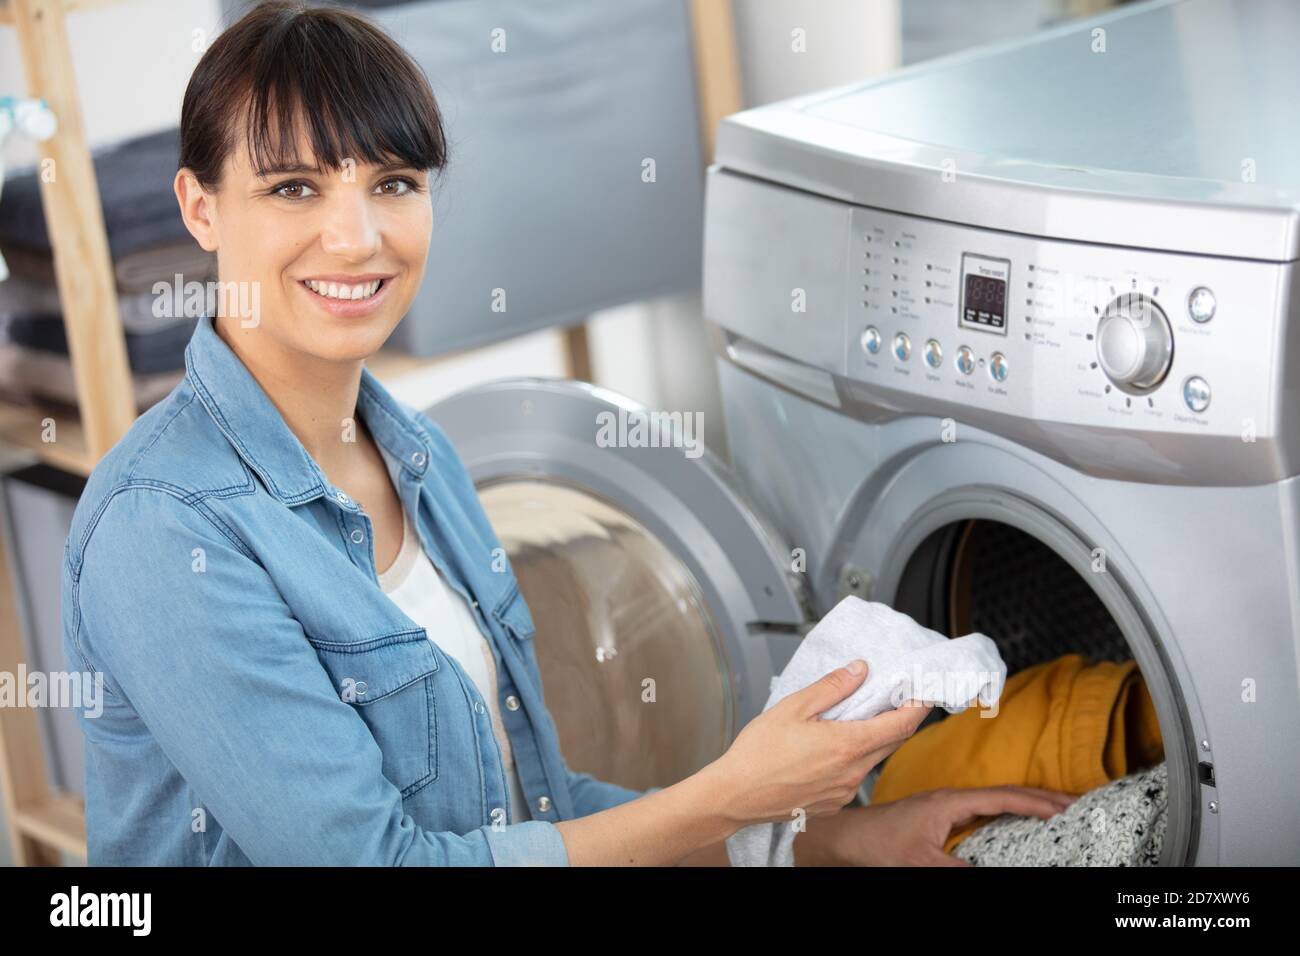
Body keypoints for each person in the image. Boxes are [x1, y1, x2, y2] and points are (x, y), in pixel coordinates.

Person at [61, 0, 1074, 866]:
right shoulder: (164, 529)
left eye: (393, 183)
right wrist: (736, 790)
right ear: (198, 207)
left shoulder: (419, 457)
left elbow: (524, 811)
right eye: (294, 187)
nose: (357, 236)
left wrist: (826, 840)